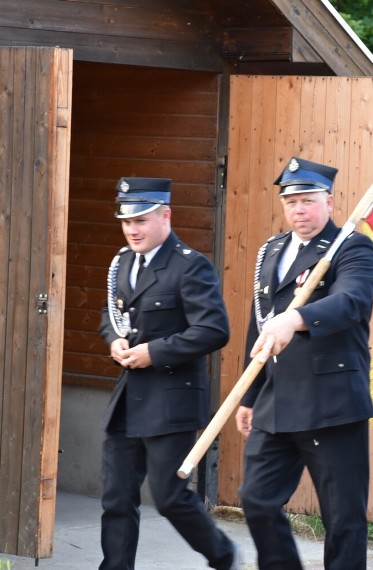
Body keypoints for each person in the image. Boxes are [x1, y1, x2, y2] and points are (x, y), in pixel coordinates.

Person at [234, 157, 373, 570]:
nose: (299, 210)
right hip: (276, 401)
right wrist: (251, 393)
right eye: (292, 201)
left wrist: (297, 319)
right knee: (257, 499)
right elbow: (261, 322)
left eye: (308, 200)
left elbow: (351, 301)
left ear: (329, 201)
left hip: (331, 402)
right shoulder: (273, 249)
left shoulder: (351, 247)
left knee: (343, 519)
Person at [98, 177, 240, 570]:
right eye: (126, 222)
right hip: (128, 399)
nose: (132, 229)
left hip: (171, 400)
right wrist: (114, 341)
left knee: (170, 496)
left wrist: (154, 352)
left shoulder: (190, 266)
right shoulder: (121, 262)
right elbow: (110, 316)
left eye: (141, 220)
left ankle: (224, 557)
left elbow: (214, 330)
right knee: (116, 497)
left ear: (166, 216)